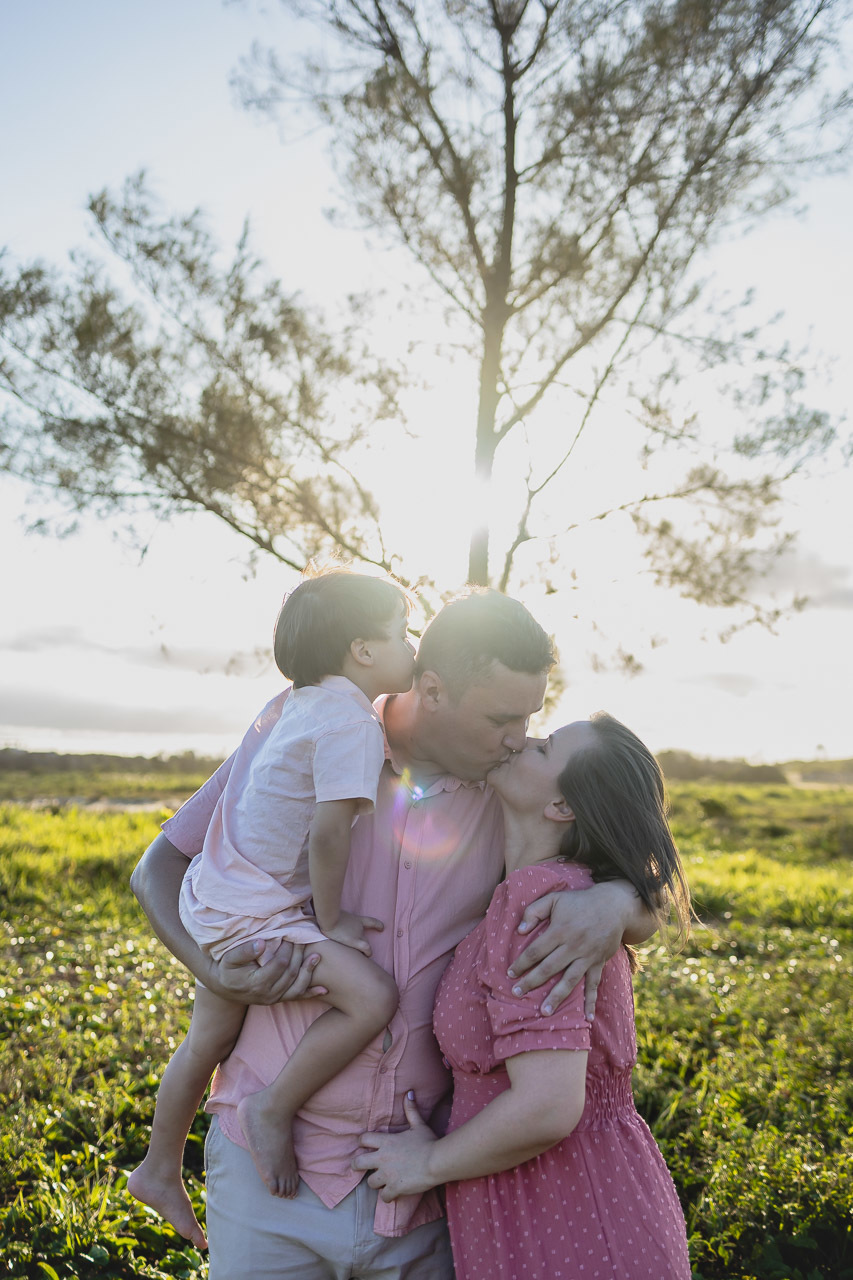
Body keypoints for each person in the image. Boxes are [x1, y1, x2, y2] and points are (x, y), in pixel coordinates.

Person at [130, 590, 660, 1279]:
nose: (517, 736)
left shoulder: (509, 795)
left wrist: (617, 903)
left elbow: (633, 873)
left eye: (528, 717)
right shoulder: (307, 736)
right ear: (432, 689)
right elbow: (156, 869)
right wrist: (212, 967)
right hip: (269, 1161)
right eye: (503, 716)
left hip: (422, 1178)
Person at [128, 570, 416, 1248]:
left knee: (207, 1039)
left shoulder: (296, 704)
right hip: (255, 913)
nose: (413, 648)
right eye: (402, 634)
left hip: (215, 896)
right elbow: (326, 833)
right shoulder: (352, 725)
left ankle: (158, 1166)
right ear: (363, 651)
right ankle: (272, 1105)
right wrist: (331, 921)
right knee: (371, 997)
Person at [356, 713, 692, 1279]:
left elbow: (548, 1105)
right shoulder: (554, 889)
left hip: (565, 1212)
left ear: (561, 808)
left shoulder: (539, 902)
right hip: (580, 1197)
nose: (526, 738)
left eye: (545, 749)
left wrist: (428, 1163)